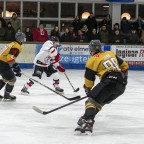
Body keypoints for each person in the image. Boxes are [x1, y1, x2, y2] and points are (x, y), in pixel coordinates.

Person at [74, 40, 128, 135]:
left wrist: (88, 90)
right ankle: (87, 117)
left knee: (91, 101)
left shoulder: (92, 59)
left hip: (109, 81)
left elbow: (89, 80)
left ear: (91, 49)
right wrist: (123, 79)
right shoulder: (109, 53)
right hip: (121, 86)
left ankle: (88, 121)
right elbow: (124, 65)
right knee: (99, 103)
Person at [0, 32, 26, 101]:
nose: (24, 39)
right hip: (3, 63)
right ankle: (7, 95)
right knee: (12, 79)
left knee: (5, 78)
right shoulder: (17, 46)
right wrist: (16, 67)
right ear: (20, 39)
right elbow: (9, 58)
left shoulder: (12, 43)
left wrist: (15, 67)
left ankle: (7, 94)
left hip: (1, 62)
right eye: (23, 38)